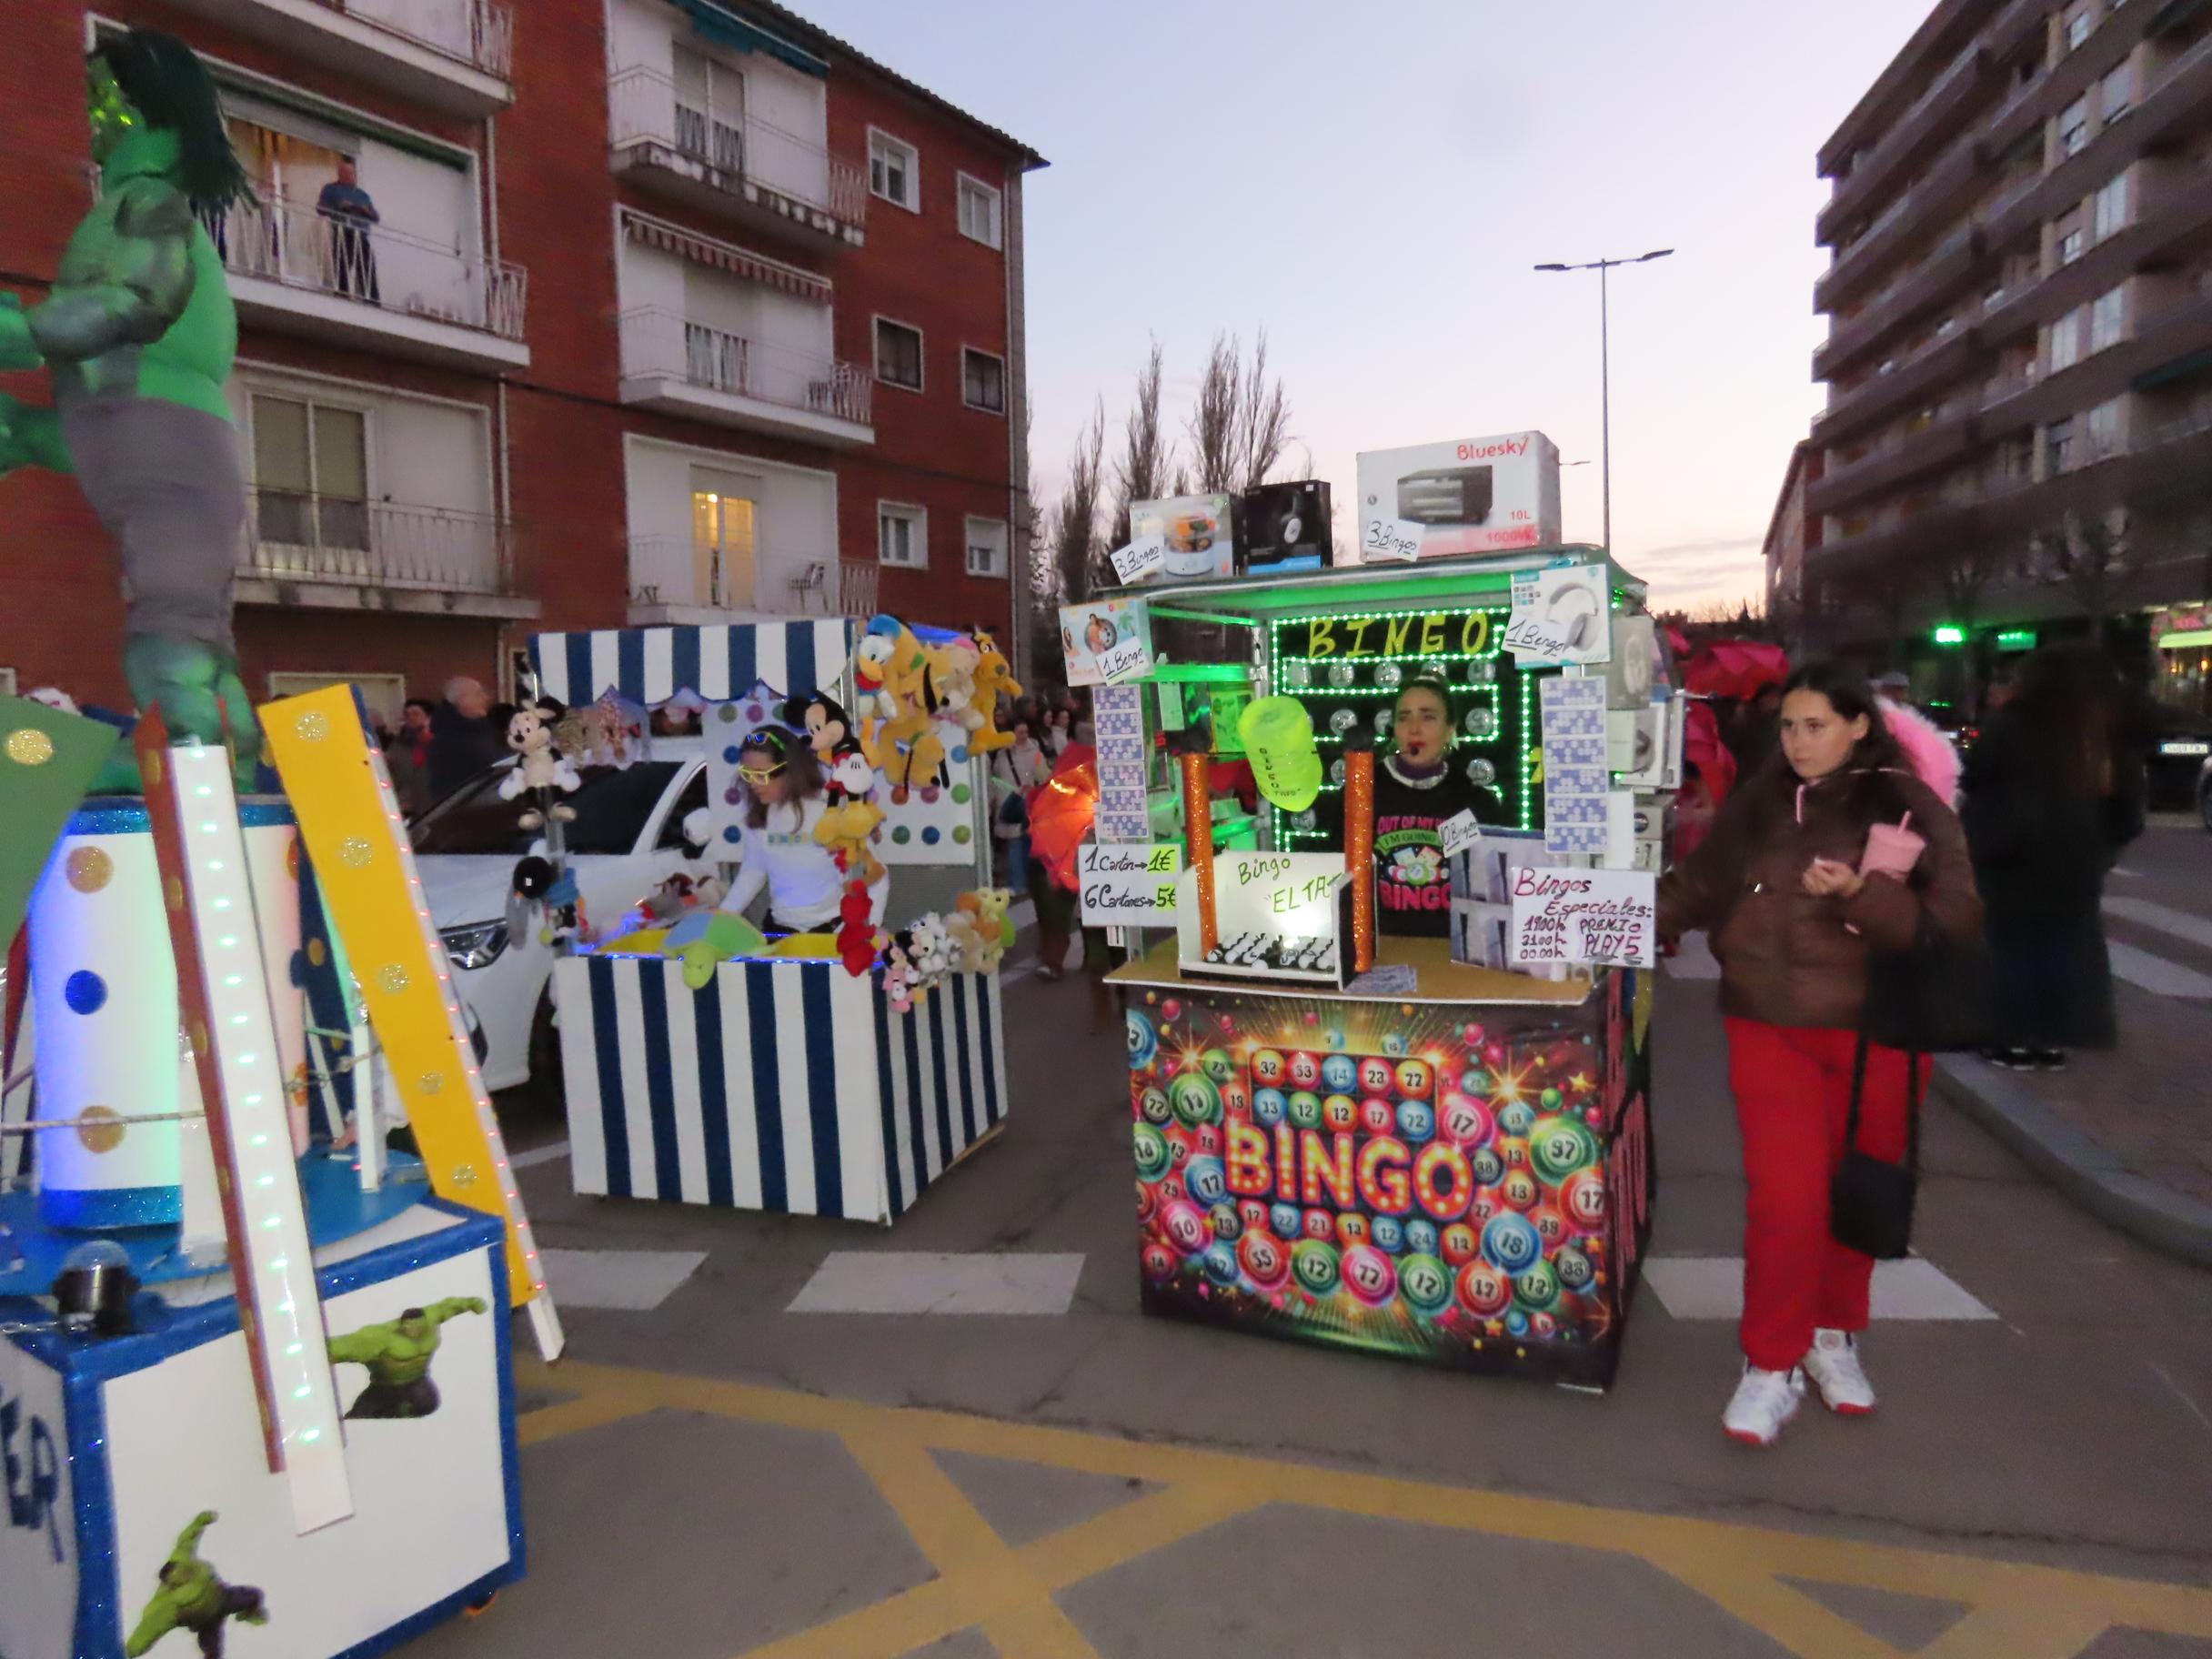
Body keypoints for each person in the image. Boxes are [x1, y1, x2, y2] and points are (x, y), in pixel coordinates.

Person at [1657, 661, 1982, 1446]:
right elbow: (1698, 888)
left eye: (1817, 726)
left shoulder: (1910, 802)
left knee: (1854, 1195)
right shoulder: (1761, 802)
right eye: (1789, 726)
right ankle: (1771, 1365)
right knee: (1785, 1202)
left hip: (1877, 1037)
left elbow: (1956, 919)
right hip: (1768, 1021)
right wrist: (1591, 927)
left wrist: (1858, 897)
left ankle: (1833, 1336)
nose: (1799, 743)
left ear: (1860, 724)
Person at [1960, 646, 2144, 1071]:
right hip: (2076, 859)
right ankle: (2052, 1037)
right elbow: (2127, 798)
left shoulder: (2013, 725)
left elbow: (1974, 773)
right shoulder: (2096, 730)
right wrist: (2105, 844)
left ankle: (2012, 1038)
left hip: (2013, 854)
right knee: (2061, 946)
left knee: (2011, 947)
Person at [715, 726, 884, 933]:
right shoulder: (759, 818)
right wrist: (720, 918)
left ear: (790, 770)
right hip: (779, 931)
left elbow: (878, 877)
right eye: (747, 774)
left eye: (762, 774)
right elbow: (753, 872)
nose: (753, 784)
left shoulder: (831, 812)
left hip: (834, 931)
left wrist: (868, 930)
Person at [1370, 676, 1487, 938]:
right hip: (1380, 948)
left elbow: (1480, 891)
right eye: (1404, 717)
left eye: (1428, 717)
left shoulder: (1468, 799)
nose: (1414, 729)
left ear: (1449, 729)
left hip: (1450, 952)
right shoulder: (1363, 793)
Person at [316, 156, 380, 304]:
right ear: (339, 174)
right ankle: (342, 297)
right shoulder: (331, 189)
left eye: (351, 173)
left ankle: (372, 301)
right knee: (343, 266)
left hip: (361, 235)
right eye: (345, 173)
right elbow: (320, 209)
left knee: (367, 267)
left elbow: (375, 218)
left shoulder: (362, 195)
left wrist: (366, 211)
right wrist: (340, 207)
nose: (348, 176)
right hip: (342, 232)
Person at [427, 675, 502, 796]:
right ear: (462, 700)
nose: (486, 698)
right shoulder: (449, 741)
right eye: (478, 694)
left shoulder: (482, 731)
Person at [385, 696, 436, 816]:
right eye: (407, 714)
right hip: (405, 806)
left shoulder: (438, 744)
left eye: (416, 714)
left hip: (433, 806)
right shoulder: (398, 744)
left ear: (428, 718)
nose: (411, 718)